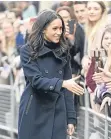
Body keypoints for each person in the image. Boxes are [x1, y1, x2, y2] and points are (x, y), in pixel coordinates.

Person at [18, 10, 84, 139]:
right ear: (43, 29)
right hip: (34, 109)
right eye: (55, 28)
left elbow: (68, 90)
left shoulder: (63, 50)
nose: (59, 32)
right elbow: (36, 80)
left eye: (61, 28)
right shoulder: (27, 50)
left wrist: (71, 118)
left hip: (57, 112)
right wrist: (62, 83)